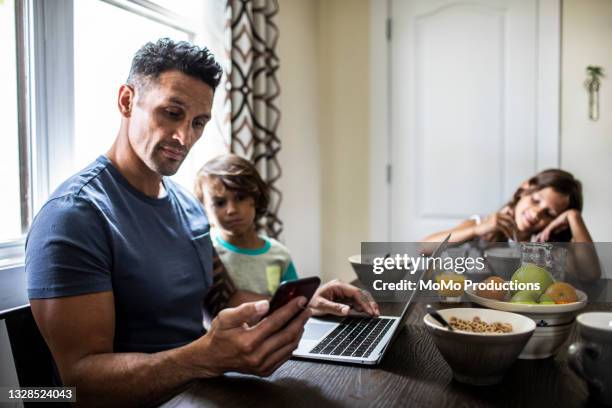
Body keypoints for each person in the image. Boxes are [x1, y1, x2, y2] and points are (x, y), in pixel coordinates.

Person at [25, 38, 379, 407]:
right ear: (127, 101)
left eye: (198, 122)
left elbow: (224, 299)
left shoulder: (188, 207)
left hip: (204, 388)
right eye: (172, 113)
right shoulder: (73, 217)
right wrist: (205, 357)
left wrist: (304, 305)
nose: (185, 137)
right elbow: (80, 383)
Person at [423, 169, 600, 280]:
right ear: (524, 189)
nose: (537, 213)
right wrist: (476, 230)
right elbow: (424, 247)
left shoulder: (547, 247)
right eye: (536, 201)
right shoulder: (482, 225)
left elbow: (590, 274)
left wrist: (574, 217)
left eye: (549, 214)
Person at [194, 154, 297, 298]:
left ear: (256, 198)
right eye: (220, 203)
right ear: (204, 208)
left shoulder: (280, 255)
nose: (231, 210)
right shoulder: (209, 256)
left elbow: (296, 303)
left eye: (240, 198)